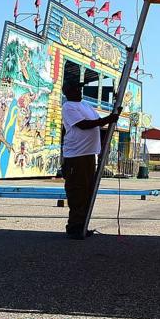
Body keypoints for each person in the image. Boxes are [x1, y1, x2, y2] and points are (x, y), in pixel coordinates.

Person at [60, 81, 120, 239]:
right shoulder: (68, 107)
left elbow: (97, 125)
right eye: (75, 89)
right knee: (77, 191)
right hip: (76, 156)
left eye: (80, 88)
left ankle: (82, 225)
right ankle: (74, 227)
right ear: (68, 92)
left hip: (88, 155)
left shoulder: (86, 105)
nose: (79, 91)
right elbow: (84, 125)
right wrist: (109, 119)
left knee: (87, 191)